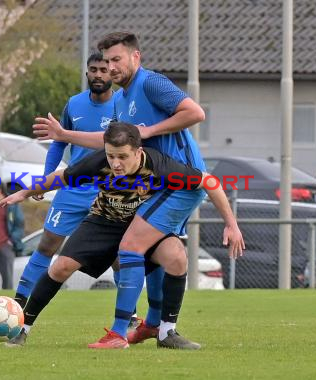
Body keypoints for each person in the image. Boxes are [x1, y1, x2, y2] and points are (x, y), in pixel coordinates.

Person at [33, 32, 211, 348]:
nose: (112, 67)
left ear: (135, 57)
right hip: (155, 186)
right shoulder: (121, 98)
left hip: (178, 185)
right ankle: (157, 327)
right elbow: (110, 141)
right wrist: (64, 134)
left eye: (117, 60)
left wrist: (149, 131)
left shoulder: (151, 83)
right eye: (107, 61)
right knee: (162, 255)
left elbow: (195, 113)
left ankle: (123, 332)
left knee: (133, 246)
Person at [0, 122, 244, 349]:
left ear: (138, 152)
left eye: (123, 157)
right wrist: (25, 193)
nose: (115, 163)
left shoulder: (159, 165)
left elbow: (209, 182)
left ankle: (167, 333)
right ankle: (23, 328)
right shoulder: (99, 162)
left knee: (177, 257)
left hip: (142, 227)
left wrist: (231, 224)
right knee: (61, 266)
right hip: (103, 222)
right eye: (111, 156)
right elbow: (62, 177)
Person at [12, 52, 117, 307]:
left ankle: (131, 315)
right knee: (47, 244)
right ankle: (18, 303)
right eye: (94, 69)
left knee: (118, 254)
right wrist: (46, 178)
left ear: (111, 74)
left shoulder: (121, 106)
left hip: (108, 191)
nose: (98, 74)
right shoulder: (74, 104)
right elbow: (59, 142)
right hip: (72, 187)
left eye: (104, 70)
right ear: (87, 73)